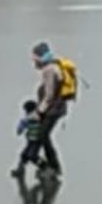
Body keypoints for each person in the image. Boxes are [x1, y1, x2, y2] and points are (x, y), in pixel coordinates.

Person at [30, 41, 68, 178]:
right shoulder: (54, 67)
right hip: (56, 109)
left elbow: (49, 95)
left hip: (53, 110)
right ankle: (51, 166)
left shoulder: (49, 70)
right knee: (44, 137)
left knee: (43, 136)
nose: (33, 62)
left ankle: (52, 167)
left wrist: (39, 111)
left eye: (34, 58)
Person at [11, 99, 44, 179]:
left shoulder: (31, 117)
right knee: (24, 155)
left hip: (36, 141)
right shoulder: (38, 116)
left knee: (32, 156)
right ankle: (20, 170)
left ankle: (45, 168)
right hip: (31, 140)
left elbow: (21, 126)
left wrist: (20, 129)